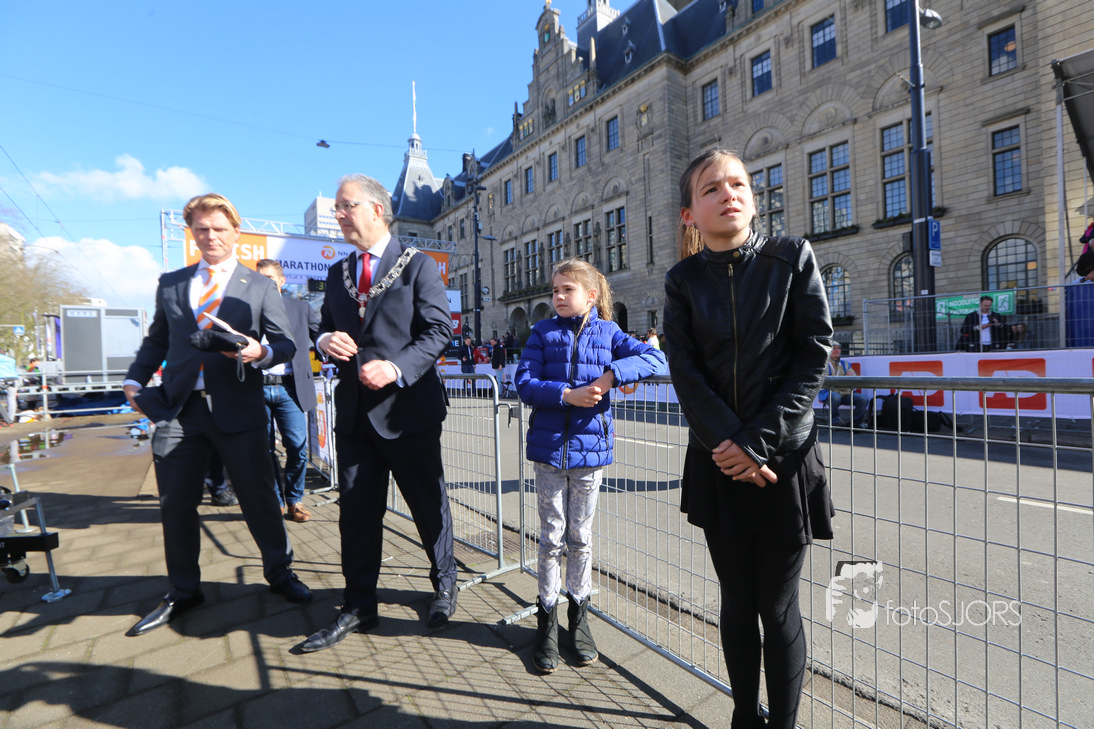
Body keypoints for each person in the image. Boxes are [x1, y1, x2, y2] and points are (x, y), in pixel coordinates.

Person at [663, 149, 835, 729]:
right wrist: (729, 444)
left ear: (754, 199)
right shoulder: (683, 280)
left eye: (737, 183)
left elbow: (812, 355)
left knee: (777, 605)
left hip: (782, 458)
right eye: (711, 188)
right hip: (718, 459)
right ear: (690, 213)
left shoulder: (792, 258)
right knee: (737, 600)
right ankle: (743, 716)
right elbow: (685, 370)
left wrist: (756, 442)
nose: (728, 194)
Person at [122, 193, 312, 638]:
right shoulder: (171, 283)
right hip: (179, 410)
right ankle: (184, 589)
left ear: (236, 232)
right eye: (202, 229)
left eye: (220, 229)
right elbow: (157, 340)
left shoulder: (259, 285)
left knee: (259, 498)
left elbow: (286, 344)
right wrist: (134, 380)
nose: (211, 236)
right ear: (192, 232)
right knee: (175, 504)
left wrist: (259, 351)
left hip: (239, 408)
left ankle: (280, 573)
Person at [301, 174, 457, 653]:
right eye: (338, 207)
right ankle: (358, 605)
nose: (338, 214)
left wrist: (395, 367)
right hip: (354, 417)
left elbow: (439, 331)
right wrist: (325, 340)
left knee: (427, 506)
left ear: (376, 209)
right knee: (356, 515)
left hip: (408, 414)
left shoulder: (418, 265)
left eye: (346, 205)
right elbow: (325, 327)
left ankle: (445, 584)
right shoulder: (338, 273)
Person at [516, 258, 667, 674]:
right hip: (549, 452)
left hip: (590, 454)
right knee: (551, 538)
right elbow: (524, 383)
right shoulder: (542, 332)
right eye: (555, 290)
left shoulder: (609, 332)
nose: (558, 297)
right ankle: (546, 620)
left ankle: (579, 617)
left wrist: (610, 377)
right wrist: (567, 395)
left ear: (590, 295)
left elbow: (656, 360)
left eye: (567, 289)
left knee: (580, 538)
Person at [256, 259, 320, 523]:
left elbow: (322, 336)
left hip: (290, 388)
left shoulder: (301, 309)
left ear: (281, 281)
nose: (263, 283)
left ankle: (295, 500)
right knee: (264, 450)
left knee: (297, 446)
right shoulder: (246, 311)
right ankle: (276, 502)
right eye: (259, 278)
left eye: (269, 278)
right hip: (256, 389)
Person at [818, 343, 869, 428]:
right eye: (834, 348)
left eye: (838, 348)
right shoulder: (823, 364)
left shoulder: (846, 364)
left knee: (863, 399)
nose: (837, 350)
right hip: (828, 393)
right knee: (835, 397)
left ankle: (855, 423)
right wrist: (844, 380)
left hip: (845, 393)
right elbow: (826, 382)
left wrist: (838, 383)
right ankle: (834, 422)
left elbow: (853, 379)